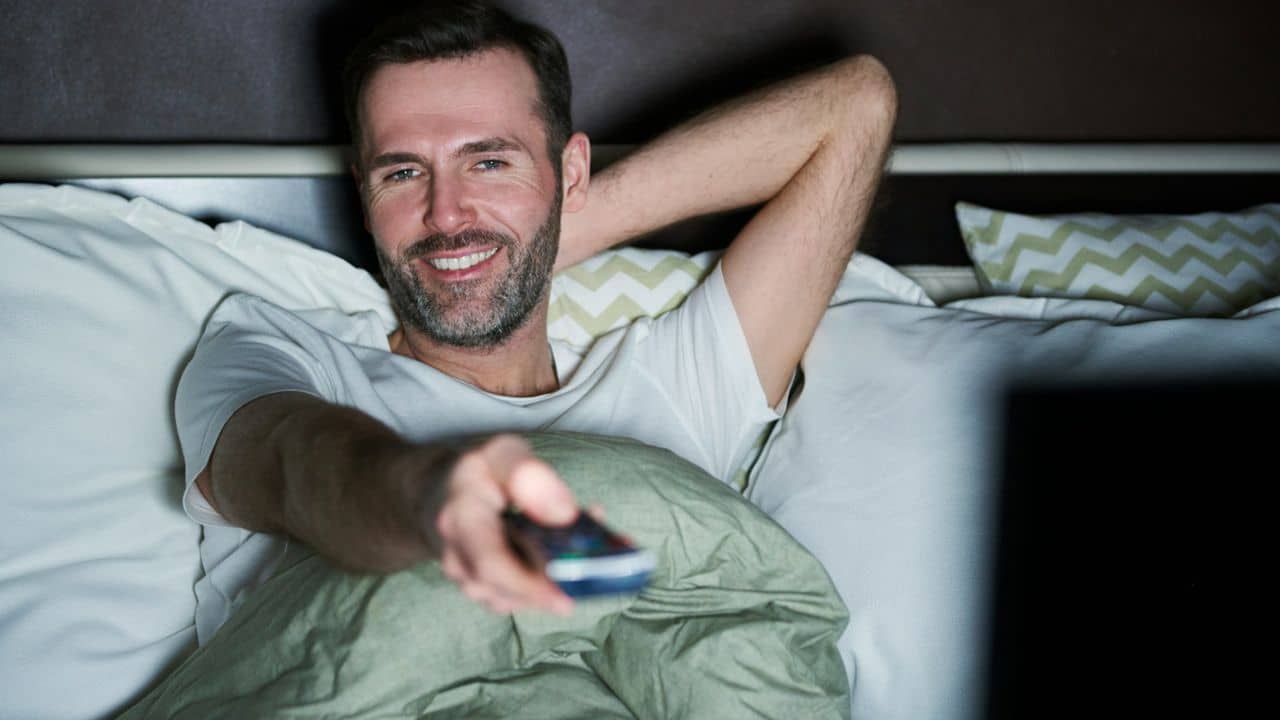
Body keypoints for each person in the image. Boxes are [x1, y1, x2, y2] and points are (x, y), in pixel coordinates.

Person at [177, 0, 895, 645]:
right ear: (363, 194)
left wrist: (537, 235)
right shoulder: (278, 350)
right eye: (401, 174)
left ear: (571, 174)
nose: (446, 214)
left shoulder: (675, 381)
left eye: (489, 162)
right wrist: (423, 496)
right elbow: (293, 463)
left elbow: (856, 104)